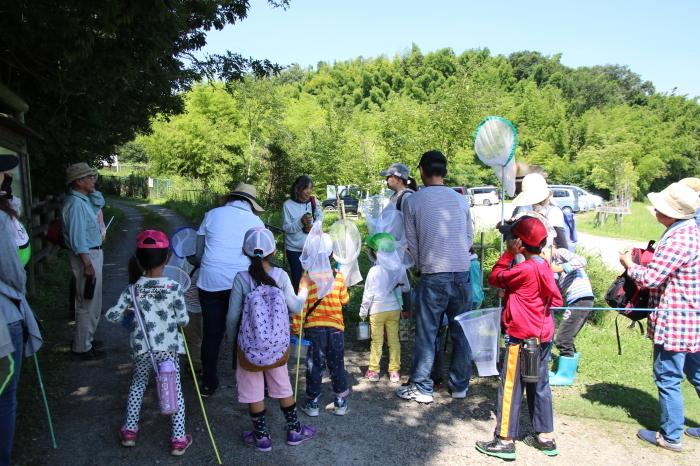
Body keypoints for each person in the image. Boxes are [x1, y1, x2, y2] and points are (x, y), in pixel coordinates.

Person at [619, 182, 700, 451]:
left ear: (671, 213)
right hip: (692, 317)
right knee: (696, 373)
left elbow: (652, 279)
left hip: (676, 320)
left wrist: (630, 265)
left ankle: (671, 436)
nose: (655, 210)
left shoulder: (678, 239)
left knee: (668, 377)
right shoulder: (691, 231)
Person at [476, 216, 563, 460]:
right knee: (538, 384)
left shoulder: (523, 268)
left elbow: (494, 278)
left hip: (521, 337)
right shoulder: (543, 266)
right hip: (541, 335)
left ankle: (505, 440)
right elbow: (556, 299)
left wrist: (506, 256)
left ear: (519, 243)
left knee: (511, 387)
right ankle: (545, 437)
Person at [226, 227, 316, 452]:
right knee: (282, 385)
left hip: (248, 348)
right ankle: (295, 430)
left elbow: (232, 317)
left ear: (245, 252)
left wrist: (233, 344)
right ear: (273, 251)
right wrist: (303, 288)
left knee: (253, 389)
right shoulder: (281, 276)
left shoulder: (241, 278)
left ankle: (262, 437)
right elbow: (295, 307)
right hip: (277, 346)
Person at [396, 150, 473, 404]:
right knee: (461, 331)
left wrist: (421, 264)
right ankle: (459, 385)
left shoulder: (413, 201)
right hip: (462, 272)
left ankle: (422, 386)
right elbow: (469, 238)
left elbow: (412, 242)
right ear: (445, 171)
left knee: (428, 332)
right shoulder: (460, 200)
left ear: (421, 171)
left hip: (433, 272)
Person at [105, 230, 191, 456]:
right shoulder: (173, 287)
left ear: (140, 259)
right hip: (169, 350)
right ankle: (178, 439)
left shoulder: (132, 289)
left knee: (138, 385)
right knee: (175, 390)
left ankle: (130, 431)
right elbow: (183, 319)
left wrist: (128, 315)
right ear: (165, 258)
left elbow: (112, 316)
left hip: (143, 349)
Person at [194, 183, 264, 397]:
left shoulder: (212, 214)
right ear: (251, 204)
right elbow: (258, 258)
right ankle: (244, 380)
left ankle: (208, 383)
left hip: (210, 281)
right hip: (240, 283)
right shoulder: (256, 221)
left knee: (211, 333)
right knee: (242, 331)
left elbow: (198, 253)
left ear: (230, 198)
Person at [0, 154, 43, 466]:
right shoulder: (2, 219)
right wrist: (20, 292)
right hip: (5, 313)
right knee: (4, 396)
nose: (6, 176)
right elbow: (12, 269)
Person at [291, 234, 351, 417]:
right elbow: (345, 300)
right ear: (331, 254)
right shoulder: (338, 277)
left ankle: (313, 403)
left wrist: (295, 329)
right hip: (335, 329)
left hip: (314, 329)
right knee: (337, 364)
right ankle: (340, 401)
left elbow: (300, 307)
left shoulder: (306, 279)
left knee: (314, 365)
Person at [62, 162, 106, 360]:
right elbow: (77, 237)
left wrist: (93, 188)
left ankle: (87, 340)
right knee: (86, 302)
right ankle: (81, 348)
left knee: (93, 302)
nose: (93, 179)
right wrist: (87, 264)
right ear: (79, 181)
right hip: (86, 257)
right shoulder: (75, 204)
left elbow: (99, 203)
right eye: (90, 177)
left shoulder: (83, 199)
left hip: (92, 254)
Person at [359, 233, 409, 384]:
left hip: (376, 310)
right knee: (394, 340)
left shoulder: (373, 271)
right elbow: (406, 287)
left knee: (376, 341)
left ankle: (374, 371)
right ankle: (394, 371)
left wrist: (362, 311)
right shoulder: (399, 268)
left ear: (375, 253)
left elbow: (368, 294)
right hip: (394, 309)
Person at [547, 248, 594, 386]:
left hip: (581, 299)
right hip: (575, 301)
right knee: (567, 336)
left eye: (544, 251)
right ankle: (566, 371)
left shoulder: (559, 252)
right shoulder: (551, 264)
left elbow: (582, 260)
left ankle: (565, 376)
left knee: (563, 338)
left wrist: (558, 268)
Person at [282, 175, 323, 292]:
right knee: (296, 280)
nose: (309, 191)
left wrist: (313, 227)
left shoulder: (314, 202)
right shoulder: (287, 205)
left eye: (311, 188)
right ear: (298, 189)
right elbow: (286, 228)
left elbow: (320, 217)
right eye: (306, 188)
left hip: (311, 248)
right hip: (294, 249)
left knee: (312, 279)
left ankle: (310, 306)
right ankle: (297, 307)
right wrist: (300, 222)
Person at [511, 173, 570, 251]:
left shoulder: (553, 212)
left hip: (545, 258)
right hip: (525, 256)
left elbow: (561, 245)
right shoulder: (525, 207)